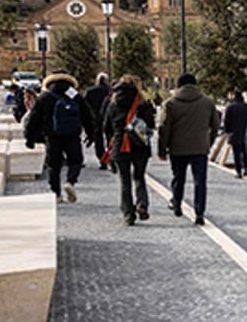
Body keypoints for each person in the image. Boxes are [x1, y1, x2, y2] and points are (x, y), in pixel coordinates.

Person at [23, 70, 96, 203]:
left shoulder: (45, 96)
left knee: (54, 165)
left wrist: (30, 138)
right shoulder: (75, 95)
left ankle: (56, 194)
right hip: (72, 135)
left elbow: (34, 118)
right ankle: (70, 181)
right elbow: (87, 115)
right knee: (76, 161)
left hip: (52, 136)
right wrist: (91, 134)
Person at [158, 73, 220, 225]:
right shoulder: (207, 102)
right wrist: (208, 142)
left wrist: (162, 148)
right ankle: (199, 213)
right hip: (200, 148)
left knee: (178, 178)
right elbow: (216, 126)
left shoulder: (170, 103)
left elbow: (164, 127)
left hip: (177, 148)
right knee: (200, 181)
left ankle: (177, 204)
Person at [102, 75, 155, 225]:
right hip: (139, 146)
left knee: (125, 182)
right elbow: (150, 124)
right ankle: (142, 204)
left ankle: (128, 215)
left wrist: (111, 141)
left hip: (120, 145)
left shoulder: (113, 103)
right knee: (139, 177)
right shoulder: (143, 102)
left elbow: (106, 127)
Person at [222, 91, 247, 179]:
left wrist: (227, 131)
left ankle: (238, 171)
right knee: (244, 153)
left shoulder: (230, 108)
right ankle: (245, 168)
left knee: (236, 154)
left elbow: (226, 121)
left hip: (234, 134)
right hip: (246, 134)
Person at [84, 73, 111, 170]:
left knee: (98, 140)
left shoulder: (90, 91)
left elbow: (84, 106)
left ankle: (102, 159)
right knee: (110, 139)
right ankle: (111, 159)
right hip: (108, 118)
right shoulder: (110, 91)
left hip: (94, 118)